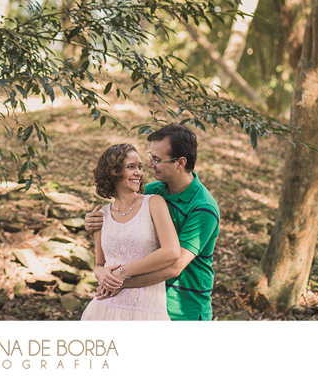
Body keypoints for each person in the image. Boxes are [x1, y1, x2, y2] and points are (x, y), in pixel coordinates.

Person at [84, 124, 220, 321]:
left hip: (184, 308)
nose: (148, 166)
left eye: (156, 160)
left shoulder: (203, 209)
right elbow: (124, 219)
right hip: (143, 303)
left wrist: (119, 280)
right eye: (150, 157)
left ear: (180, 163)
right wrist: (92, 223)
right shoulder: (152, 191)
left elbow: (174, 266)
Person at [80, 143, 180, 321]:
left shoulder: (154, 203)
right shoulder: (101, 214)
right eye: (130, 167)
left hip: (147, 312)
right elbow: (100, 264)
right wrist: (99, 273)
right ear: (113, 172)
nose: (139, 173)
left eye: (140, 167)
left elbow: (171, 251)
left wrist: (122, 273)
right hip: (104, 309)